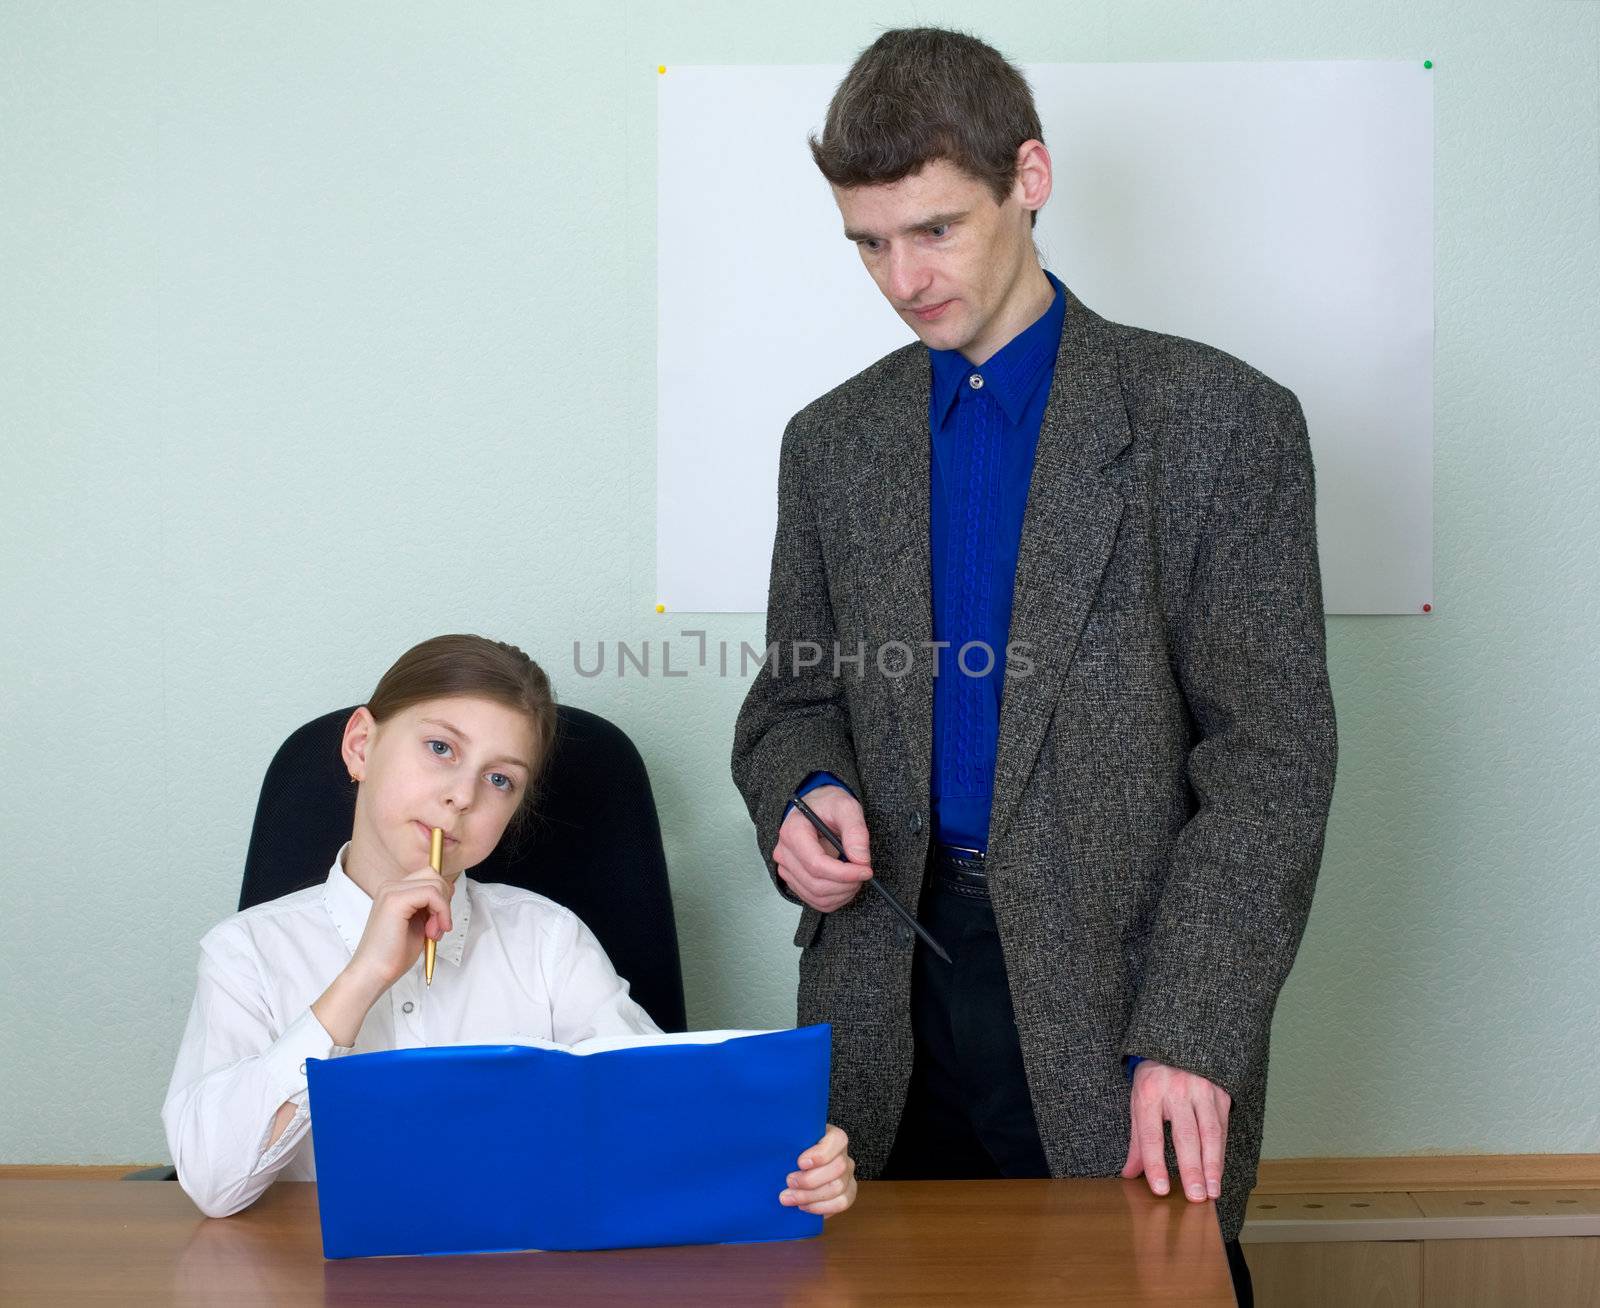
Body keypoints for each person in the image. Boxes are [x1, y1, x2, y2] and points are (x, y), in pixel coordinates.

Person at [730, 27, 1337, 1305]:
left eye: (936, 229)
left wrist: (1193, 1032)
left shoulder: (1221, 424)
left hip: (1123, 1012)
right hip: (882, 993)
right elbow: (788, 705)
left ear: (1031, 178)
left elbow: (1271, 766)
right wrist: (801, 797)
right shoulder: (830, 443)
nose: (901, 278)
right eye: (867, 242)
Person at [165, 633, 857, 1222]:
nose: (461, 796)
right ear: (360, 746)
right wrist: (364, 976)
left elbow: (660, 1111)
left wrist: (792, 1157)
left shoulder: (548, 942)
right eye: (440, 747)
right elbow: (214, 1182)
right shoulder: (246, 952)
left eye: (501, 781)